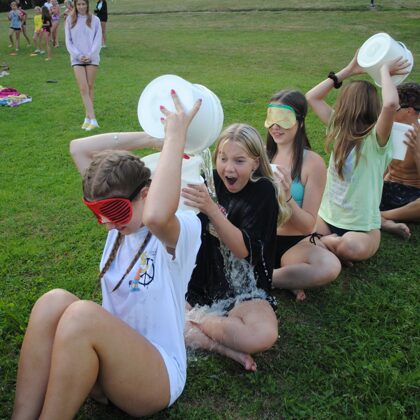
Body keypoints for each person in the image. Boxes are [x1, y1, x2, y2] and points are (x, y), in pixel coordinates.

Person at [12, 91, 202, 419]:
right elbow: (79, 148)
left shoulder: (179, 229)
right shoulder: (120, 226)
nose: (106, 223)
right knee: (52, 302)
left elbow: (157, 215)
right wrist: (153, 138)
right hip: (110, 361)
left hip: (158, 375)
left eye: (114, 211)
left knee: (81, 315)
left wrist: (175, 137)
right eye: (97, 212)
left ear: (145, 193)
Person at [184, 123, 290, 371]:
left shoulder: (263, 191)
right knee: (154, 319)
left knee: (262, 335)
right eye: (223, 158)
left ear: (255, 163)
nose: (228, 168)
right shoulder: (208, 181)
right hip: (200, 286)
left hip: (245, 290)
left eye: (239, 161)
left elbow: (244, 251)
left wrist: (211, 209)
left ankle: (195, 321)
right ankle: (223, 346)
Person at [306, 52, 410, 264]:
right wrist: (348, 70)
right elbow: (311, 97)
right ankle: (334, 242)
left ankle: (336, 243)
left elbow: (390, 104)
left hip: (362, 227)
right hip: (328, 217)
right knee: (300, 237)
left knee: (349, 247)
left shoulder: (377, 138)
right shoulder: (338, 128)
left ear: (345, 103)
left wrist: (383, 70)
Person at [265, 90, 341, 300]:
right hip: (260, 238)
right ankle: (288, 277)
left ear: (300, 122)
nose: (275, 126)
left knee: (329, 266)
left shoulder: (313, 163)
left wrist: (287, 197)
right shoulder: (260, 155)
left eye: (283, 119)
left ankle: (268, 277)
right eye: (271, 118)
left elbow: (308, 225)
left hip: (295, 243)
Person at [380, 82, 420, 238]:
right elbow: (380, 166)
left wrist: (416, 152)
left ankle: (382, 217)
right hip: (388, 186)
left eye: (396, 108)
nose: (390, 111)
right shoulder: (388, 127)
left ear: (409, 110)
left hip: (413, 195)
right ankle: (385, 219)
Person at [65, 0, 102, 131]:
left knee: (90, 87)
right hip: (77, 59)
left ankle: (87, 118)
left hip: (92, 57)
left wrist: (90, 54)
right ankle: (93, 119)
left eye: (83, 4)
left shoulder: (95, 20)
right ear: (75, 5)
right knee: (83, 88)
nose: (81, 6)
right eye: (79, 4)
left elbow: (98, 39)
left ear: (87, 4)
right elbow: (68, 41)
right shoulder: (69, 20)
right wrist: (78, 55)